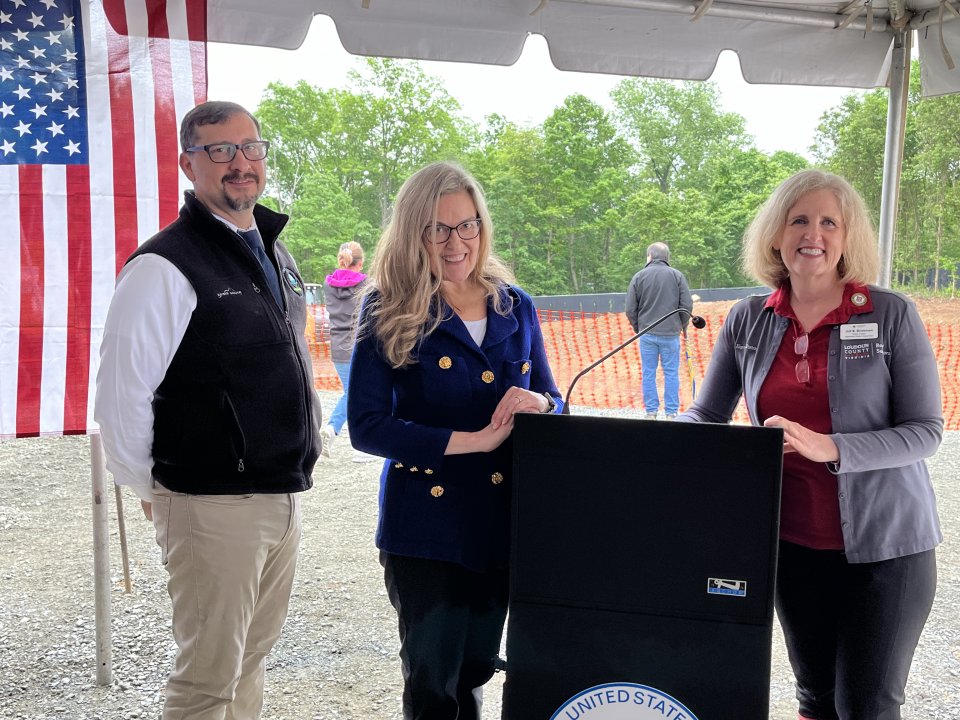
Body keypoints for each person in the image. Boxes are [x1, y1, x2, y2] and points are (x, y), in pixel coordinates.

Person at [680, 169, 942, 720]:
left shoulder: (890, 314)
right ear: (776, 234)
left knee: (866, 705)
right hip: (792, 545)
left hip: (887, 549)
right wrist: (643, 445)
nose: (813, 234)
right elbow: (707, 414)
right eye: (799, 220)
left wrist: (833, 448)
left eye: (829, 222)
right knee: (816, 698)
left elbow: (925, 431)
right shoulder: (747, 320)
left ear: (848, 239)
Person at [95, 100, 322, 720]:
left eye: (250, 148)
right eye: (219, 151)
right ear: (187, 163)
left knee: (248, 663)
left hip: (279, 495)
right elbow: (121, 395)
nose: (239, 164)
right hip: (210, 503)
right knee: (206, 682)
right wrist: (157, 490)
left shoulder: (275, 255)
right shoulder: (163, 266)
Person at [347, 161, 563, 719]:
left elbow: (555, 398)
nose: (456, 241)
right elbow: (368, 427)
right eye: (438, 228)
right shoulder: (386, 307)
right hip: (426, 527)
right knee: (433, 683)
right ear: (413, 231)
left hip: (501, 520)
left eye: (467, 225)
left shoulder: (515, 303)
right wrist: (474, 441)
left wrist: (539, 404)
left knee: (474, 670)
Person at [319, 241, 376, 463]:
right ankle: (353, 442)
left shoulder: (327, 284)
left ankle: (334, 433)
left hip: (337, 347)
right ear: (360, 263)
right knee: (356, 394)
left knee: (351, 392)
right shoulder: (367, 285)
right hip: (360, 345)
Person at [624, 242, 693, 419]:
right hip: (671, 335)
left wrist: (639, 328)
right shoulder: (677, 276)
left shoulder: (639, 277)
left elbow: (630, 309)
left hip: (647, 335)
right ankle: (671, 413)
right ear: (666, 257)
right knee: (671, 373)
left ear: (650, 256)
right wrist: (681, 326)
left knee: (648, 373)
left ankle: (651, 412)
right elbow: (686, 306)